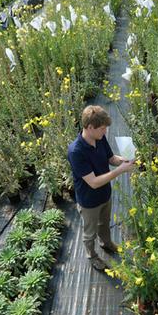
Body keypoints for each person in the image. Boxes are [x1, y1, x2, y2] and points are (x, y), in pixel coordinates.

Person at [67, 105, 135, 272]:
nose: (105, 132)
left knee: (104, 223)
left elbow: (111, 158)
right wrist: (120, 170)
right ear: (90, 127)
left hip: (105, 194)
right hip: (89, 201)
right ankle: (92, 256)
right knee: (89, 233)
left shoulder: (100, 138)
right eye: (102, 128)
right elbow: (94, 182)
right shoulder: (76, 151)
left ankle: (106, 243)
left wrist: (125, 159)